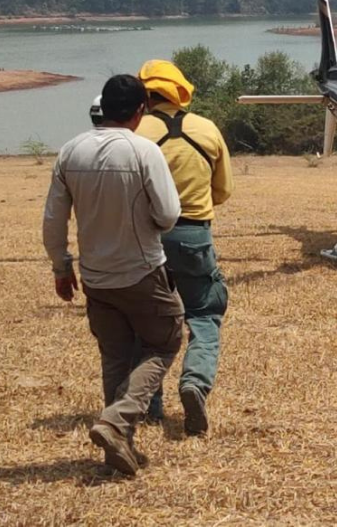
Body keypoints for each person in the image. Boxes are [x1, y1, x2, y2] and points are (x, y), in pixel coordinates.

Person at [43, 74, 183, 475]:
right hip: (142, 270)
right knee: (166, 342)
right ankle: (117, 423)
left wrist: (61, 266)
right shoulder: (144, 151)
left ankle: (119, 447)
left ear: (103, 107)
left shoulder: (71, 151)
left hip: (95, 277)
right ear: (141, 110)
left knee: (115, 357)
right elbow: (168, 215)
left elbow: (53, 220)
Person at [135, 59, 233, 436]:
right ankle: (195, 383)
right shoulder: (207, 129)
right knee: (205, 315)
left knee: (149, 321)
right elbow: (222, 191)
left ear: (145, 95)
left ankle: (149, 405)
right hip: (194, 236)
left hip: (147, 239)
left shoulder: (135, 132)